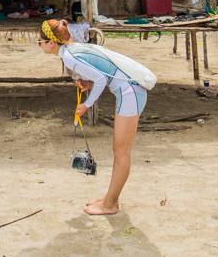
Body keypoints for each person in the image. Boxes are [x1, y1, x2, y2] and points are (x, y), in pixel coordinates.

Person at [38, 19, 147, 216]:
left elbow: (102, 79)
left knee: (121, 151)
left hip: (130, 91)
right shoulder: (73, 49)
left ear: (51, 43)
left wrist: (86, 105)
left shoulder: (69, 57)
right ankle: (110, 198)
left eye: (40, 42)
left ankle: (110, 204)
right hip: (128, 89)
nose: (40, 45)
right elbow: (98, 73)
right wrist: (87, 82)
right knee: (119, 150)